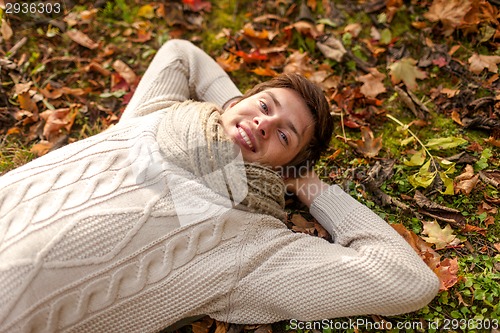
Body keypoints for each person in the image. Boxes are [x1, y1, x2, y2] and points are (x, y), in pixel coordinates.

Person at [0, 39, 439, 333]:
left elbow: (406, 280)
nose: (264, 124)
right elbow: (181, 53)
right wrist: (234, 109)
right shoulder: (158, 116)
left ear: (285, 167)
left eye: (284, 135)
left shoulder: (251, 242)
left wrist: (310, 187)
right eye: (264, 105)